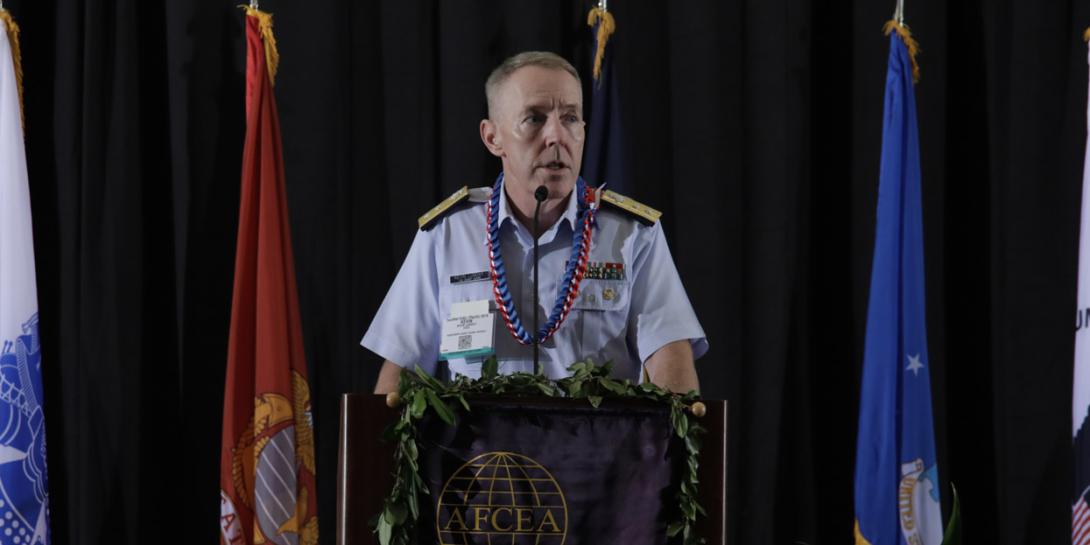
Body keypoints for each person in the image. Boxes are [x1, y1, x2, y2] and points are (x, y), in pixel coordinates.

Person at [362, 51, 706, 394]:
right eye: (535, 119)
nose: (557, 136)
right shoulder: (447, 234)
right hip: (480, 448)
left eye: (570, 118)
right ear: (492, 138)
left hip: (595, 446)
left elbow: (670, 356)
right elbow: (401, 370)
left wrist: (668, 441)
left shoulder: (632, 235)